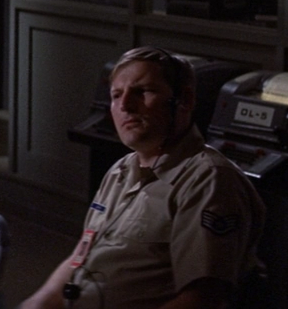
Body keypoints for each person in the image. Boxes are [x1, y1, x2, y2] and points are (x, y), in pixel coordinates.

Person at [21, 46, 265, 309]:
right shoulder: (120, 171)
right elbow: (80, 255)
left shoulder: (208, 180)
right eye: (116, 95)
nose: (125, 105)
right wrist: (38, 303)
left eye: (142, 92)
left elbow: (203, 299)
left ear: (184, 100)